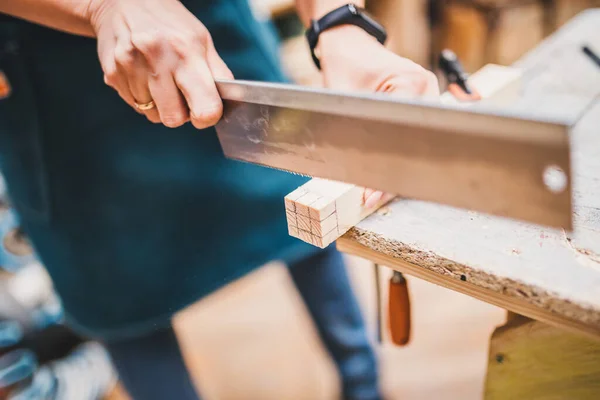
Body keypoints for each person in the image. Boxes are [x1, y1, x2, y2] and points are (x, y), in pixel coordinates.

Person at [0, 0, 439, 399]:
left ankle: (364, 385)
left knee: (301, 201)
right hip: (48, 80)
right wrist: (100, 7)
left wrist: (337, 22)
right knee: (117, 289)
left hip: (215, 43)